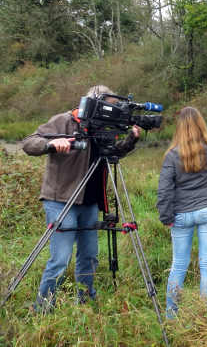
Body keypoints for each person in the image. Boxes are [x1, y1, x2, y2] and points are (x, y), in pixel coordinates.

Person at [22, 85, 141, 312]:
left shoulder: (101, 127)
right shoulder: (64, 121)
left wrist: (131, 140)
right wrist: (50, 145)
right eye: (107, 107)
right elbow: (29, 142)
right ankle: (44, 307)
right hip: (61, 200)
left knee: (89, 257)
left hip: (90, 203)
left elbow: (111, 153)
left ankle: (86, 302)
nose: (109, 113)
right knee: (60, 259)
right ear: (92, 103)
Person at [156, 107, 207, 318]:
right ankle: (206, 314)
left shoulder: (172, 155)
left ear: (179, 127)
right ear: (200, 125)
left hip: (182, 213)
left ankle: (172, 314)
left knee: (178, 264)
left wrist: (166, 217)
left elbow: (164, 190)